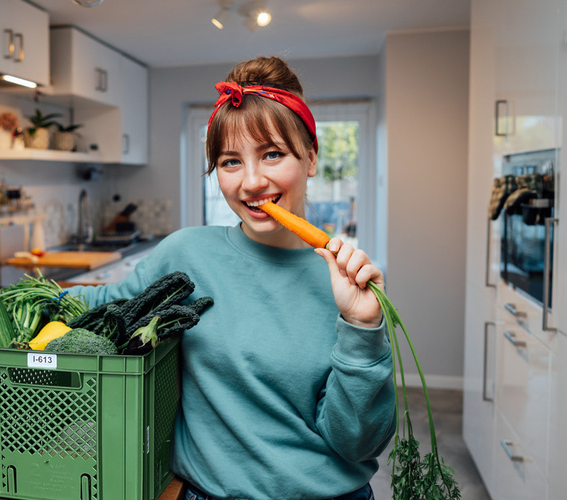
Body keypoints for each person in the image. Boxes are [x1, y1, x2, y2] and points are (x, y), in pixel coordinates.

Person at [67, 56, 395, 500]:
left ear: (311, 157)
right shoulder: (187, 254)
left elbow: (357, 443)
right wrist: (23, 301)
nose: (252, 183)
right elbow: (103, 308)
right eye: (230, 162)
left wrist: (361, 326)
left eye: (273, 154)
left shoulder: (350, 285)